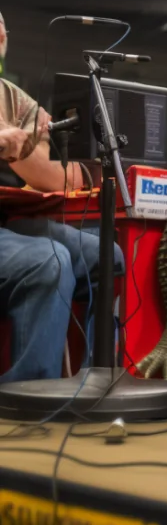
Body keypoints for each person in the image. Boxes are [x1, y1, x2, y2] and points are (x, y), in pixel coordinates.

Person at [0, 50, 124, 381]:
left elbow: (43, 174)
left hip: (5, 225)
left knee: (107, 256)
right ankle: (29, 392)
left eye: (2, 30)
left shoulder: (8, 97)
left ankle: (96, 380)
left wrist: (88, 169)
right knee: (48, 260)